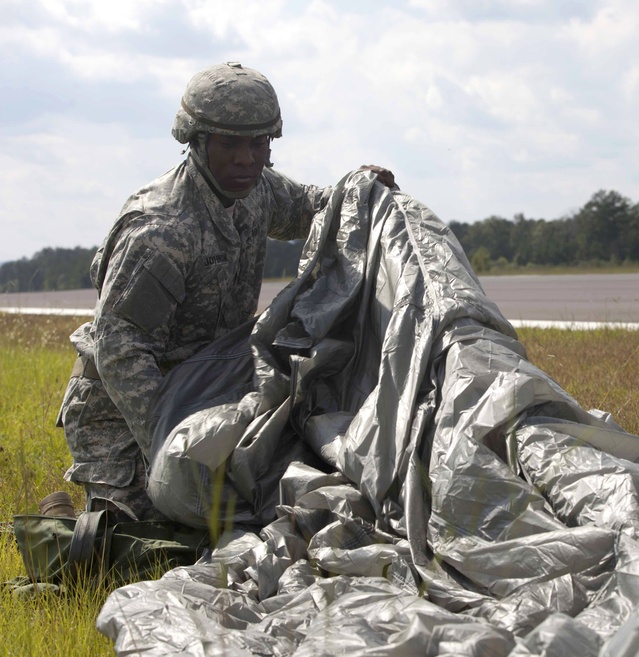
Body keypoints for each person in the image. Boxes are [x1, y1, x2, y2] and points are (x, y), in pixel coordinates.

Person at [53, 62, 395, 520]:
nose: (246, 159)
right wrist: (170, 445)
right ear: (197, 142)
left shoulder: (255, 191)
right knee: (176, 533)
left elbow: (312, 208)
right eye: (230, 144)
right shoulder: (161, 231)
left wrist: (359, 190)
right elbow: (121, 351)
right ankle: (61, 523)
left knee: (276, 500)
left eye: (259, 144)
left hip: (208, 388)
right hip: (128, 411)